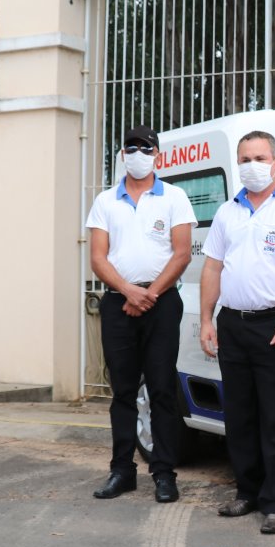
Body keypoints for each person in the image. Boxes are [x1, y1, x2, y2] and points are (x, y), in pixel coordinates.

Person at [199, 130, 275, 534]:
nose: (252, 166)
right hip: (233, 324)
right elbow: (212, 267)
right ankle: (247, 491)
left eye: (260, 158)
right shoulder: (226, 212)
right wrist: (206, 319)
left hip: (274, 323)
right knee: (239, 414)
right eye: (245, 159)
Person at [86, 125, 196, 503]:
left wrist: (150, 293)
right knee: (123, 392)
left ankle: (164, 473)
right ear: (122, 155)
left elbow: (182, 253)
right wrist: (130, 291)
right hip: (119, 303)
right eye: (131, 148)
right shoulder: (105, 201)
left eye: (146, 149)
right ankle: (122, 471)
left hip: (161, 303)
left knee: (162, 389)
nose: (138, 155)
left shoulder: (174, 197)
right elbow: (98, 257)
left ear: (157, 156)